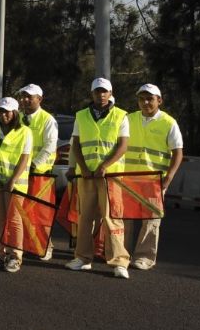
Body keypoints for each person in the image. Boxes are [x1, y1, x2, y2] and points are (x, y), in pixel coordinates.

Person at [65, 77, 131, 278]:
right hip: (87, 176)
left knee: (112, 218)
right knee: (85, 217)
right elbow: (75, 144)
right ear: (91, 94)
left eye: (104, 91)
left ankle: (119, 262)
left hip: (110, 177)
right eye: (97, 92)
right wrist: (81, 167)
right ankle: (83, 258)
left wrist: (105, 166)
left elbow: (123, 146)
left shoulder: (121, 116)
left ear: (110, 94)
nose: (101, 95)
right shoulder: (81, 115)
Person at [124, 84, 183, 270]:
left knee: (151, 221)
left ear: (160, 100)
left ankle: (144, 258)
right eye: (142, 98)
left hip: (154, 180)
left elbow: (178, 153)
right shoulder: (128, 118)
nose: (145, 102)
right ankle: (121, 254)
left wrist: (168, 179)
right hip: (127, 178)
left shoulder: (168, 122)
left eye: (150, 98)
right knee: (123, 218)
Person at [0, 97, 32, 273]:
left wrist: (12, 180)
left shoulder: (24, 132)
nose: (4, 115)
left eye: (8, 111)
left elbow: (24, 159)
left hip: (15, 184)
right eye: (1, 111)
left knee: (15, 220)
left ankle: (15, 256)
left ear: (15, 113)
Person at [16, 83, 58, 260]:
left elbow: (49, 146)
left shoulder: (48, 119)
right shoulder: (17, 118)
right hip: (20, 174)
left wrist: (33, 165)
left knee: (41, 213)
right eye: (23, 96)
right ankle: (27, 244)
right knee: (22, 211)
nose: (25, 100)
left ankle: (45, 246)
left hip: (40, 174)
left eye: (29, 97)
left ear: (39, 99)